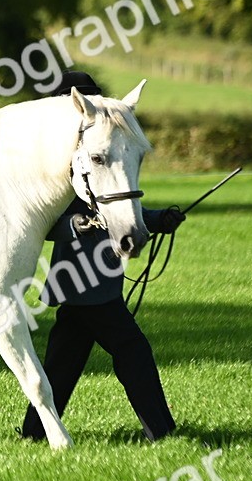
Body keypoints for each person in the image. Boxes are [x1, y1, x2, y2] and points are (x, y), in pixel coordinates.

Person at [18, 71, 184, 442]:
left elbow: (117, 210)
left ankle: (33, 433)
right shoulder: (63, 166)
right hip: (83, 282)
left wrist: (158, 220)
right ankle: (161, 431)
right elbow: (47, 225)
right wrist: (78, 224)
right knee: (133, 350)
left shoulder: (97, 154)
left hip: (93, 282)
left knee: (63, 364)